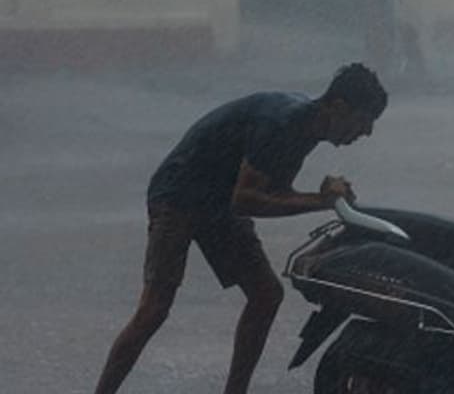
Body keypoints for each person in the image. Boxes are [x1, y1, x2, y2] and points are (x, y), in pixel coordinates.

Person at [93, 63, 388, 394]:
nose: (366, 132)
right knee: (154, 309)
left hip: (219, 203)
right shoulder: (283, 123)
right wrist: (321, 201)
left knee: (266, 295)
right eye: (365, 121)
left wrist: (320, 199)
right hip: (178, 195)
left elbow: (272, 192)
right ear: (339, 107)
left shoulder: (307, 129)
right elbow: (247, 200)